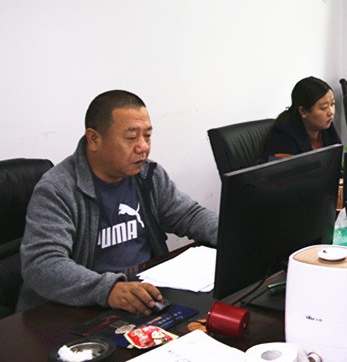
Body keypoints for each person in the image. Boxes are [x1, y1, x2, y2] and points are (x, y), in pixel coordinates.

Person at [17, 90, 218, 314]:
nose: (143, 146)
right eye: (131, 138)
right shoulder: (58, 189)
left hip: (142, 295)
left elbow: (189, 215)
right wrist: (109, 289)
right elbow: (42, 264)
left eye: (147, 136)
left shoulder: (147, 175)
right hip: (80, 307)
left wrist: (235, 235)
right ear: (94, 139)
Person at [262, 76, 341, 160]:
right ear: (303, 111)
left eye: (332, 104)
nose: (331, 112)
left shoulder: (326, 126)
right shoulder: (284, 137)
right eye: (324, 108)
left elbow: (338, 160)